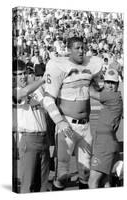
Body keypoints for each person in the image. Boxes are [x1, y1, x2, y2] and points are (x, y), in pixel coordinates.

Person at [43, 37, 103, 190]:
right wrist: (60, 121)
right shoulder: (59, 66)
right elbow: (48, 99)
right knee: (62, 174)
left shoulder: (92, 64)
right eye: (77, 48)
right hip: (67, 126)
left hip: (86, 126)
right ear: (69, 50)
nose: (81, 51)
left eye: (83, 47)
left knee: (85, 172)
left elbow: (92, 91)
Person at [12, 59, 50, 193]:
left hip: (44, 138)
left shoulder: (35, 89)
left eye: (23, 73)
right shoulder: (14, 91)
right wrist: (42, 80)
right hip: (29, 139)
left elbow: (48, 104)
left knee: (43, 185)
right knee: (27, 185)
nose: (22, 77)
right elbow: (23, 93)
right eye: (17, 74)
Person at [88, 68, 123, 189]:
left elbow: (91, 92)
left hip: (104, 145)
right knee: (105, 182)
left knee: (92, 182)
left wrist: (86, 76)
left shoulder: (112, 97)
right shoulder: (115, 97)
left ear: (117, 84)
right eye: (108, 82)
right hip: (107, 142)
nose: (110, 85)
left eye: (113, 83)